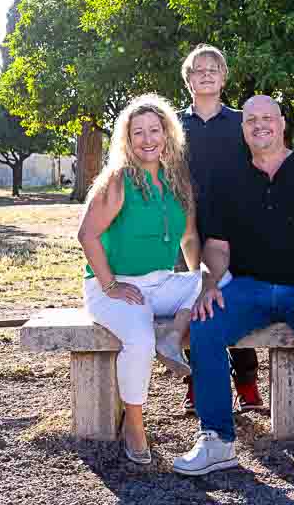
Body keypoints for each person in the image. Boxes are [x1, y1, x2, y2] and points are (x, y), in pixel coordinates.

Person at [174, 95, 294, 476]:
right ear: (242, 130)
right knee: (205, 327)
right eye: (251, 119)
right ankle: (217, 439)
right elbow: (217, 246)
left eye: (267, 118)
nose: (260, 125)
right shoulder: (229, 178)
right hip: (249, 288)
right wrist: (209, 283)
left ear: (281, 123)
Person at [77, 93, 202, 465]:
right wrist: (111, 284)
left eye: (154, 130)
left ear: (167, 134)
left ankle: (174, 332)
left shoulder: (177, 181)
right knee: (139, 339)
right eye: (138, 133)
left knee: (217, 281)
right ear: (127, 140)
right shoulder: (117, 180)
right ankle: (134, 423)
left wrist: (195, 286)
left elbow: (190, 238)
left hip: (162, 282)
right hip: (113, 289)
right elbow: (87, 235)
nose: (147, 140)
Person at [176, 45, 265, 414]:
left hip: (235, 225)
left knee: (233, 300)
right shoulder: (174, 124)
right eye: (199, 70)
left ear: (224, 77)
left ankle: (246, 383)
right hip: (186, 225)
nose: (207, 74)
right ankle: (198, 383)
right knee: (193, 303)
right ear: (189, 79)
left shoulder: (242, 121)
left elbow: (268, 153)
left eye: (214, 69)